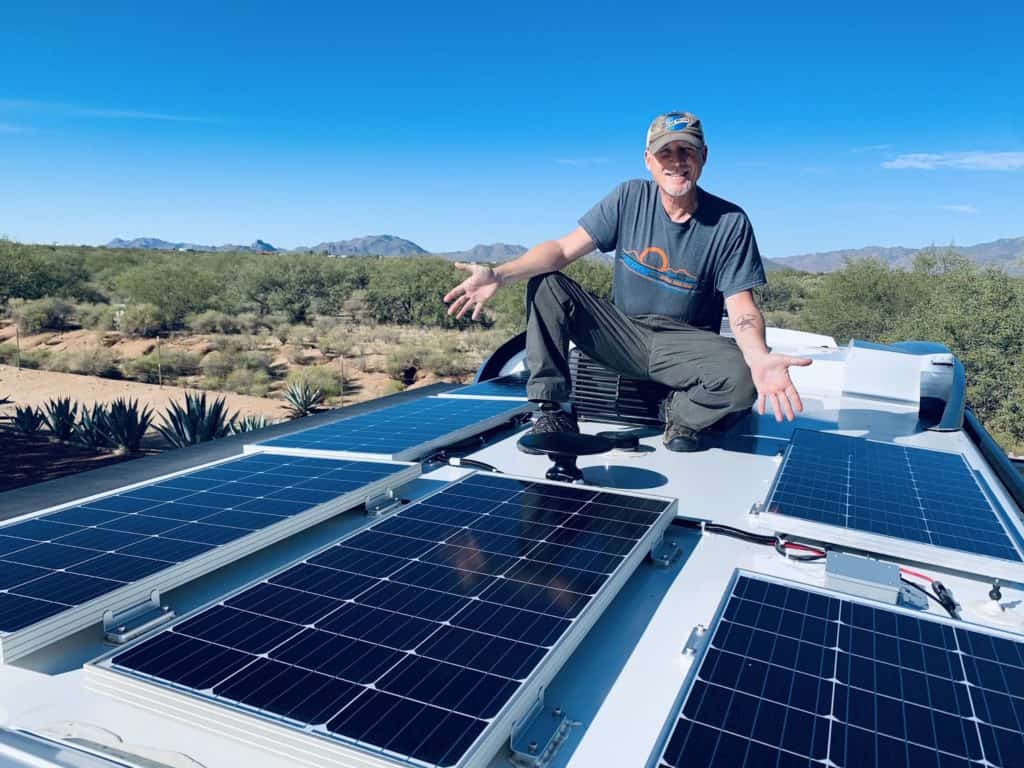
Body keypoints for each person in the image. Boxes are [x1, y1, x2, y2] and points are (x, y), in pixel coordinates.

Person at [444, 111, 811, 452]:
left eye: (688, 151)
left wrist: (758, 356)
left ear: (704, 157)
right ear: (650, 161)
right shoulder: (629, 197)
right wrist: (499, 274)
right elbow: (560, 249)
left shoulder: (730, 222)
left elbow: (741, 306)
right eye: (666, 153)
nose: (677, 161)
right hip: (624, 332)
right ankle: (553, 409)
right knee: (547, 284)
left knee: (741, 377)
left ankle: (681, 417)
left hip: (683, 343)